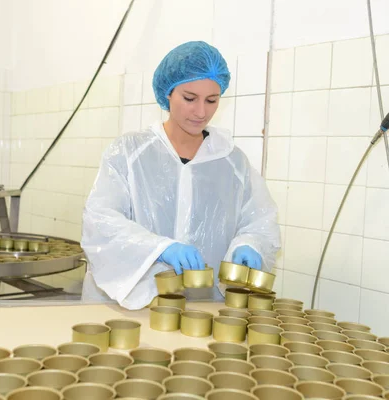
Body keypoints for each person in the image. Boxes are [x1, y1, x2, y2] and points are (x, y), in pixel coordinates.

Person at [81, 41, 281, 310]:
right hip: (130, 304)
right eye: (189, 98)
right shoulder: (129, 153)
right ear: (167, 94)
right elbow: (101, 220)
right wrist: (159, 248)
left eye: (212, 100)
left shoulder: (232, 162)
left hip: (201, 310)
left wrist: (250, 244)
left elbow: (258, 221)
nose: (201, 112)